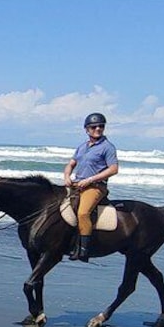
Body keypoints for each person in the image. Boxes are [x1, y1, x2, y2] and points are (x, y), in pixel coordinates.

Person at [63, 112, 119, 262]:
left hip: (95, 187)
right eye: (94, 127)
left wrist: (90, 180)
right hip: (78, 184)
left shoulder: (108, 147)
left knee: (82, 213)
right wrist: (67, 177)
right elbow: (71, 164)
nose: (98, 129)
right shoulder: (82, 147)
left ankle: (83, 250)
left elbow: (113, 169)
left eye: (101, 126)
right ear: (87, 129)